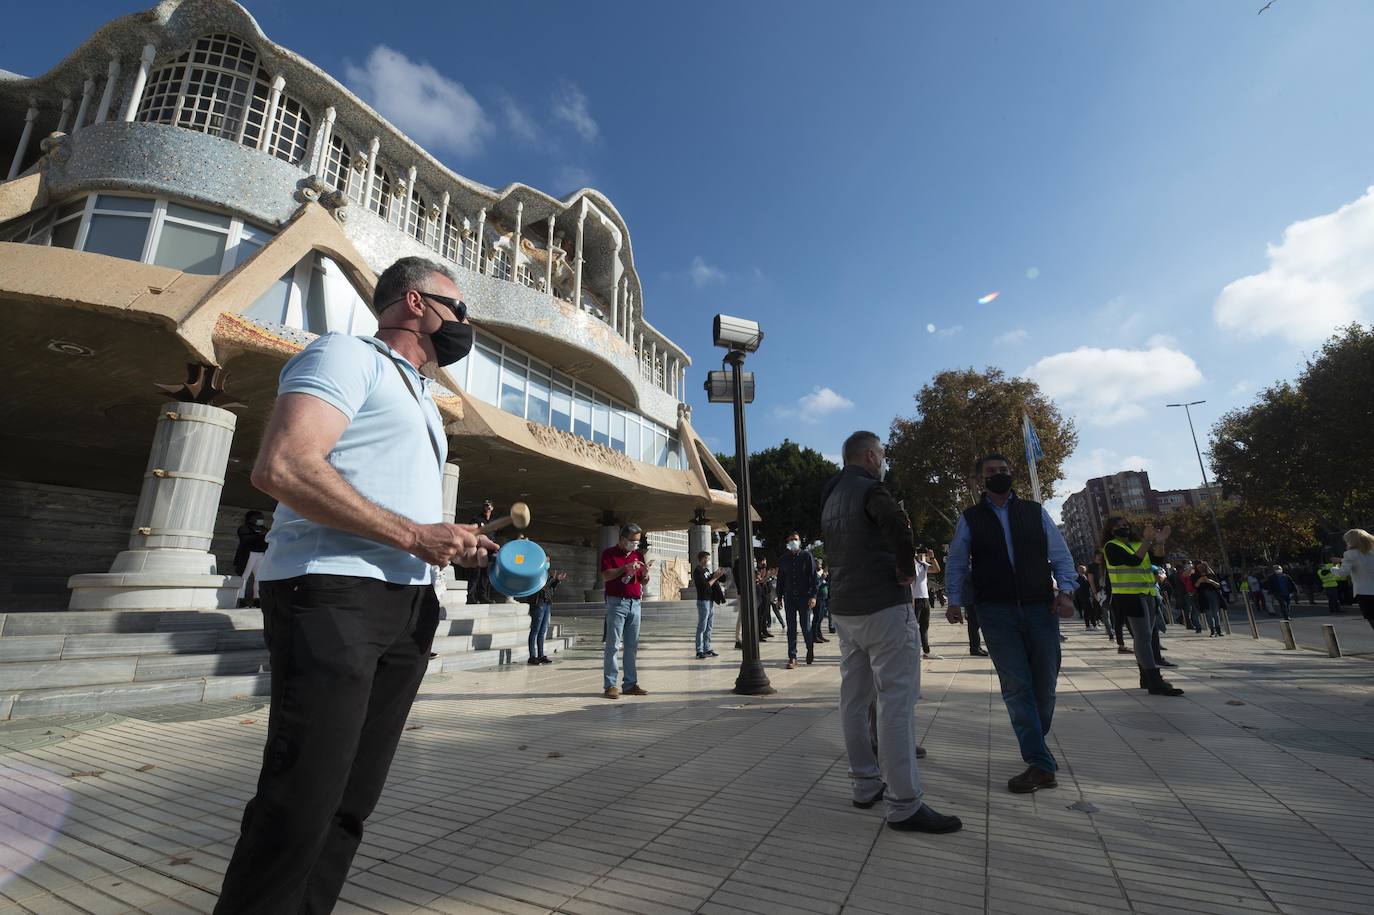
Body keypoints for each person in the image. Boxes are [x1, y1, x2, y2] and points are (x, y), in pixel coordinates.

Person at [215, 257, 496, 914]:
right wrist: (411, 535)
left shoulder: (422, 397)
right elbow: (283, 464)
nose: (466, 326)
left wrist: (445, 538)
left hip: (408, 608)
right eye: (459, 308)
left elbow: (391, 502)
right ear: (414, 302)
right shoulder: (346, 354)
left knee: (347, 808)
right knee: (299, 800)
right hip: (333, 594)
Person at [820, 431, 961, 833]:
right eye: (881, 454)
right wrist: (903, 567)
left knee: (854, 697)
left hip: (846, 608)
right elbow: (898, 524)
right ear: (869, 455)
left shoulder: (831, 496)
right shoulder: (871, 488)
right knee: (895, 701)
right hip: (883, 605)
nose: (883, 460)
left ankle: (864, 784)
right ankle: (903, 803)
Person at [946, 453, 1078, 794]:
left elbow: (1060, 555)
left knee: (1044, 686)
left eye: (1003, 470)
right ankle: (1039, 762)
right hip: (995, 611)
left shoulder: (1034, 513)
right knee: (1017, 687)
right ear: (980, 480)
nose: (998, 475)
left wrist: (1066, 591)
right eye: (991, 471)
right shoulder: (970, 518)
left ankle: (1036, 743)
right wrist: (954, 599)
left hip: (1040, 609)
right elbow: (957, 562)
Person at [1101, 517, 1184, 697]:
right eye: (1118, 526)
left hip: (1148, 593)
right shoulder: (1111, 546)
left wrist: (1160, 543)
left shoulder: (1137, 543)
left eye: (1125, 525)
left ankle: (1145, 677)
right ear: (1110, 530)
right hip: (1129, 596)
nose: (1124, 527)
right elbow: (1133, 561)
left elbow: (1157, 562)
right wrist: (1147, 540)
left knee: (1149, 635)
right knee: (1143, 637)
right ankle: (1154, 680)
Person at [599, 523, 651, 699]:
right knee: (613, 645)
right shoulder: (609, 553)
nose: (635, 545)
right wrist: (625, 568)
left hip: (635, 603)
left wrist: (645, 574)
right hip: (616, 603)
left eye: (637, 541)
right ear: (622, 539)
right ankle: (610, 685)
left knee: (632, 646)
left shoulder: (638, 555)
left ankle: (630, 683)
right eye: (632, 541)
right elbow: (606, 575)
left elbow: (642, 581)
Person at [776, 533, 819, 668]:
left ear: (800, 541)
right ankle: (792, 657)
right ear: (787, 543)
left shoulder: (807, 556)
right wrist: (779, 598)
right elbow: (781, 580)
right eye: (790, 540)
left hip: (804, 596)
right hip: (789, 597)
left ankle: (809, 648)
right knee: (791, 628)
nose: (793, 542)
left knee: (805, 626)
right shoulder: (783, 559)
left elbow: (814, 578)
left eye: (795, 539)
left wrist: (813, 596)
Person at [526, 570, 567, 665]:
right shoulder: (536, 574)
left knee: (542, 630)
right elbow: (541, 587)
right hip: (538, 603)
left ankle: (541, 655)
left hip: (547, 602)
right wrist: (552, 578)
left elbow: (550, 588)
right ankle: (532, 656)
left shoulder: (547, 574)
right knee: (535, 630)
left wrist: (556, 581)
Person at [692, 551, 726, 659]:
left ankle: (707, 648)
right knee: (702, 626)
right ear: (702, 559)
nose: (708, 560)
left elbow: (711, 580)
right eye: (707, 558)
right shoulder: (697, 571)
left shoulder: (706, 570)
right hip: (703, 601)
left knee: (709, 626)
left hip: (710, 600)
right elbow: (705, 586)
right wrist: (715, 577)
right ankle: (699, 650)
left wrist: (717, 575)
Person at [234, 510, 269, 608]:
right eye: (258, 517)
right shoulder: (244, 528)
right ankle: (241, 600)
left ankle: (257, 600)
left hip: (261, 554)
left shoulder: (264, 529)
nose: (260, 520)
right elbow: (245, 540)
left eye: (261, 518)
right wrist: (259, 535)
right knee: (244, 577)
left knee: (259, 578)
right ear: (251, 518)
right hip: (248, 554)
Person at [1341, 529, 1374, 630]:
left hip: (1364, 592)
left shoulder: (1350, 554)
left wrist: (1334, 569)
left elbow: (1343, 572)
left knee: (1372, 619)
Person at [912, 548, 940, 657]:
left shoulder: (923, 565)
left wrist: (932, 557)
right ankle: (913, 651)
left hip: (925, 598)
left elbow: (937, 569)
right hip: (915, 598)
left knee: (924, 626)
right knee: (913, 627)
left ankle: (926, 651)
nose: (922, 556)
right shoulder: (910, 566)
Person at [466, 499, 495, 604]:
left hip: (489, 551)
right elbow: (470, 533)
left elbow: (492, 536)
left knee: (485, 575)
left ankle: (483, 596)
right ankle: (471, 597)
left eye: (489, 506)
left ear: (492, 508)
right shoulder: (477, 519)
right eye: (485, 506)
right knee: (475, 573)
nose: (487, 508)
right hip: (478, 550)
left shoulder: (492, 521)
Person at [1192, 561, 1225, 636]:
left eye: (1202, 566)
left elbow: (1218, 585)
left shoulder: (1211, 574)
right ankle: (1212, 630)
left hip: (1213, 594)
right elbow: (1195, 586)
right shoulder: (1195, 576)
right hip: (1203, 596)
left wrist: (1210, 581)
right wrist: (1199, 581)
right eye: (1198, 567)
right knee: (1208, 613)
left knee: (1215, 613)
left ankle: (1218, 630)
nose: (1200, 568)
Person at [810, 561, 832, 642]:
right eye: (818, 564)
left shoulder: (822, 572)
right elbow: (817, 584)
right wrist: (822, 577)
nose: (820, 565)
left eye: (821, 564)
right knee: (817, 617)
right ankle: (814, 636)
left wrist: (826, 577)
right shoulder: (814, 573)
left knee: (821, 617)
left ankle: (819, 635)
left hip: (824, 598)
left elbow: (827, 582)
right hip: (817, 598)